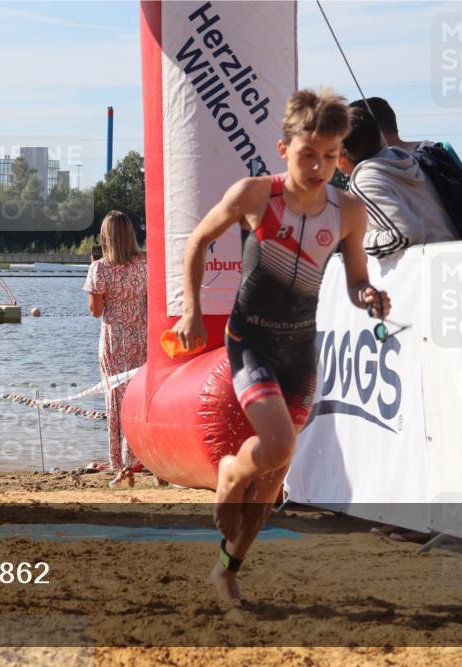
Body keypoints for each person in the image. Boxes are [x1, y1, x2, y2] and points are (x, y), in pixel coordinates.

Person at [171, 89, 390, 601]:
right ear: (283, 148)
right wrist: (192, 309)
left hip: (299, 349)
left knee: (273, 478)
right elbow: (197, 241)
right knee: (278, 446)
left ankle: (227, 569)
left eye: (331, 156)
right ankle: (229, 470)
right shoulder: (255, 195)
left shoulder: (349, 211)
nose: (319, 167)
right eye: (308, 154)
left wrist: (370, 295)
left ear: (342, 154)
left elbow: (357, 281)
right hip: (251, 341)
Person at [339, 103, 459, 259]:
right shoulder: (405, 161)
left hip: (429, 272)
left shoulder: (366, 182)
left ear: (339, 151)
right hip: (453, 260)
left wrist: (357, 241)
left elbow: (406, 233)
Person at [83, 211, 147, 488]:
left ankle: (119, 462)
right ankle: (139, 456)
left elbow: (96, 312)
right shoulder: (145, 263)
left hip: (114, 340)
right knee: (139, 398)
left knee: (116, 400)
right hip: (142, 337)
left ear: (105, 236)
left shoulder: (100, 268)